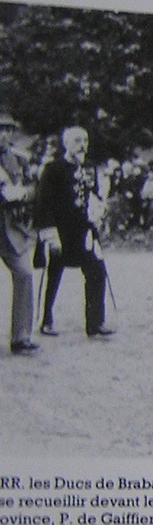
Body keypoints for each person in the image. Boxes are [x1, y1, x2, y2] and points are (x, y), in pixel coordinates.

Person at [35, 125, 112, 338]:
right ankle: (46, 320)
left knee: (97, 271)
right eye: (77, 141)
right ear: (66, 144)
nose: (82, 145)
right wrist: (50, 235)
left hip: (84, 232)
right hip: (60, 233)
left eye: (85, 140)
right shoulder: (53, 169)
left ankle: (95, 323)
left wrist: (98, 211)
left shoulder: (89, 168)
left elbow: (94, 197)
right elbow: (44, 204)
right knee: (54, 274)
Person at [0, 110, 40, 355]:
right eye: (0, 129)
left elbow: (34, 186)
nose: (4, 134)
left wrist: (24, 193)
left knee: (24, 274)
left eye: (8, 130)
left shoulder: (16, 158)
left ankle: (21, 336)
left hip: (10, 228)